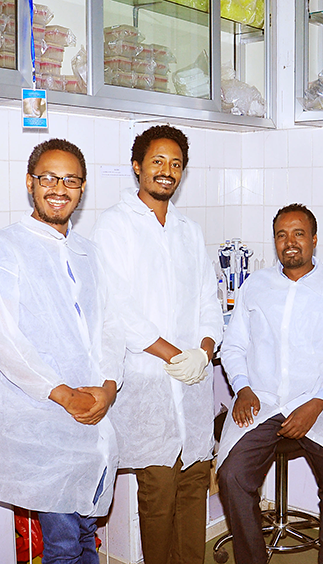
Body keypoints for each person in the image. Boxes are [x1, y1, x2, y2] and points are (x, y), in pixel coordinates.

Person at [0, 138, 124, 563]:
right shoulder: (2, 249)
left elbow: (111, 325)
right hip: (45, 425)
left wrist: (109, 386)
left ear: (83, 187)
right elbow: (2, 338)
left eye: (71, 179)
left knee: (86, 534)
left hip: (94, 420)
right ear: (30, 183)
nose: (59, 188)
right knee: (60, 544)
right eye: (49, 178)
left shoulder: (89, 252)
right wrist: (63, 394)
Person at [91, 125, 222, 564]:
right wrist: (174, 355)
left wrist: (203, 351)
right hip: (149, 386)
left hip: (194, 384)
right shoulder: (114, 225)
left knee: (193, 490)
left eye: (176, 164)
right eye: (158, 162)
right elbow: (119, 309)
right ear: (137, 167)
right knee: (159, 495)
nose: (167, 172)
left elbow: (209, 299)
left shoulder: (189, 230)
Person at [216, 203, 323, 564]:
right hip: (261, 401)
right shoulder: (256, 285)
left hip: (317, 403)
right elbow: (234, 345)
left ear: (314, 240)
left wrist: (315, 405)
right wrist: (242, 386)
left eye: (299, 233)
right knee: (232, 476)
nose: (290, 242)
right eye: (282, 235)